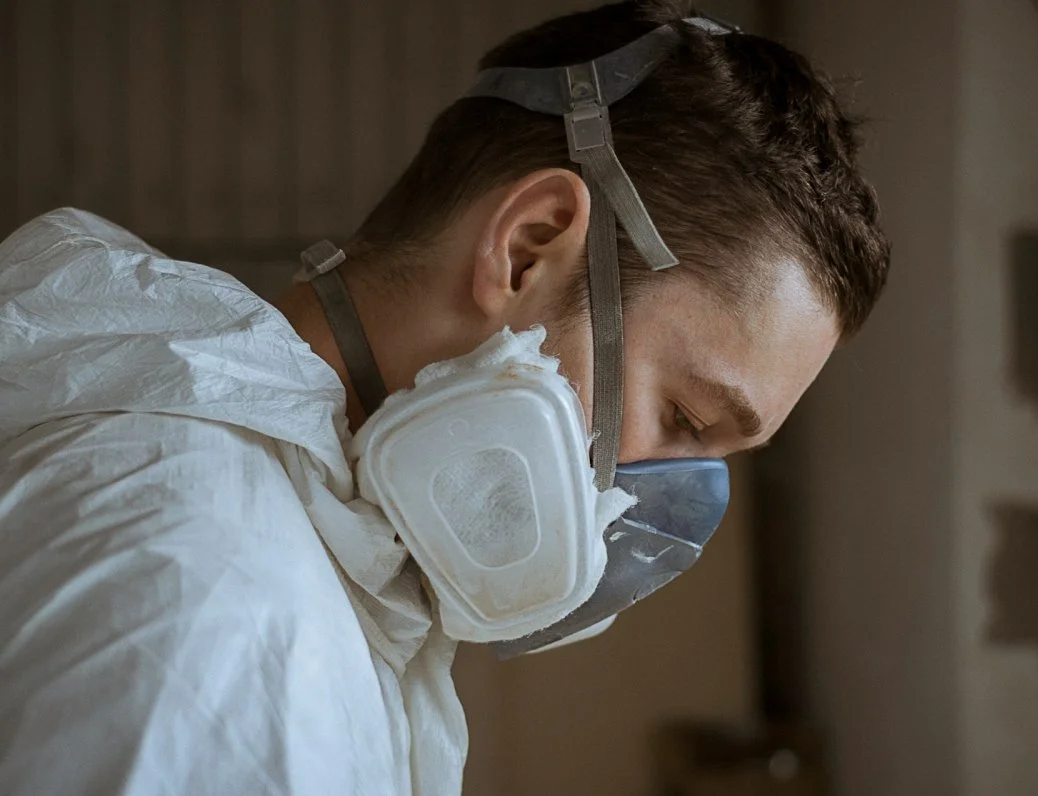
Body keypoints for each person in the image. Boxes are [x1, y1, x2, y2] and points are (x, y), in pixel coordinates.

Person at [0, 1, 888, 794]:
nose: (663, 505)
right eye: (685, 419)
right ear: (527, 249)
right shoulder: (215, 606)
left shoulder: (299, 541)